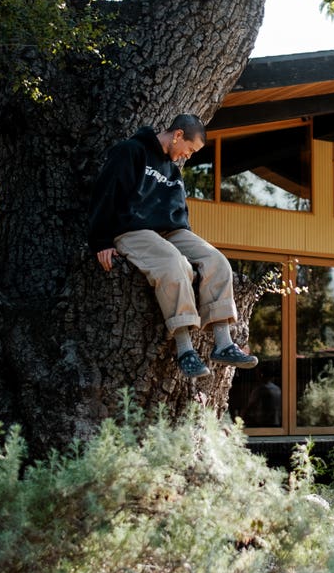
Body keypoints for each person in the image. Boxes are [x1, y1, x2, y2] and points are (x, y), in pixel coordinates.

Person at [88, 114, 258, 379]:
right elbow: (106, 193)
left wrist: (188, 244)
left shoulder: (173, 171)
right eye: (190, 149)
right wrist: (101, 241)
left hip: (171, 232)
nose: (188, 156)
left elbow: (179, 214)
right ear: (178, 135)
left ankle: (223, 344)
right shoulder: (130, 151)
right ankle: (185, 350)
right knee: (175, 264)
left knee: (217, 261)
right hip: (133, 230)